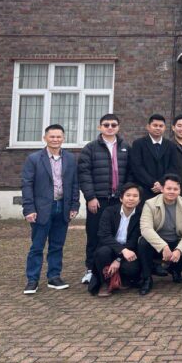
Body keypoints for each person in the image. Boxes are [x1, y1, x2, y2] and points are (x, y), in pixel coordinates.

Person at [22, 124, 80, 294]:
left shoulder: (70, 159)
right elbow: (27, 185)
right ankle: (32, 280)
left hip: (62, 207)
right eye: (52, 136)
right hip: (41, 209)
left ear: (63, 138)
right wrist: (29, 209)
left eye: (59, 136)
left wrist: (74, 205)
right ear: (45, 138)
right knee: (37, 246)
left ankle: (54, 277)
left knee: (57, 245)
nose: (55, 139)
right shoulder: (33, 159)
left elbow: (74, 184)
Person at [78, 113, 132, 285]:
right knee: (94, 235)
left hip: (118, 201)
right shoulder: (90, 148)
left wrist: (126, 196)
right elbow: (84, 174)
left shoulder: (125, 147)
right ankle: (91, 269)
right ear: (99, 127)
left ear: (118, 127)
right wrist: (90, 197)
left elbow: (130, 172)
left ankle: (114, 268)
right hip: (98, 200)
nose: (110, 128)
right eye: (106, 125)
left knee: (117, 235)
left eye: (113, 125)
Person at [138, 174, 182, 295]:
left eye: (175, 189)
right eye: (169, 188)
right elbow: (145, 229)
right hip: (158, 242)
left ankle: (175, 270)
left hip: (176, 240)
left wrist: (179, 250)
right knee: (143, 243)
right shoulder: (150, 204)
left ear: (179, 190)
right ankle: (147, 278)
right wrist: (163, 247)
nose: (172, 192)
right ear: (162, 189)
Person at [88, 183, 142, 297]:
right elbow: (104, 235)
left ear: (139, 200)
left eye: (135, 196)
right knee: (103, 253)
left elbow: (134, 240)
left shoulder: (140, 215)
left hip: (129, 250)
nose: (131, 198)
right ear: (121, 198)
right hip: (110, 247)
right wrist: (122, 251)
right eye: (128, 195)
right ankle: (105, 282)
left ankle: (122, 278)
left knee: (132, 268)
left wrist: (118, 259)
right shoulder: (109, 211)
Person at [130, 114, 175, 200]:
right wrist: (153, 183)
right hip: (144, 189)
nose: (158, 128)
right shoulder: (138, 144)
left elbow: (173, 167)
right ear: (148, 127)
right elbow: (137, 167)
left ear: (165, 128)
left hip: (164, 189)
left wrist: (161, 183)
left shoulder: (171, 145)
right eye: (155, 125)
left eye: (161, 126)